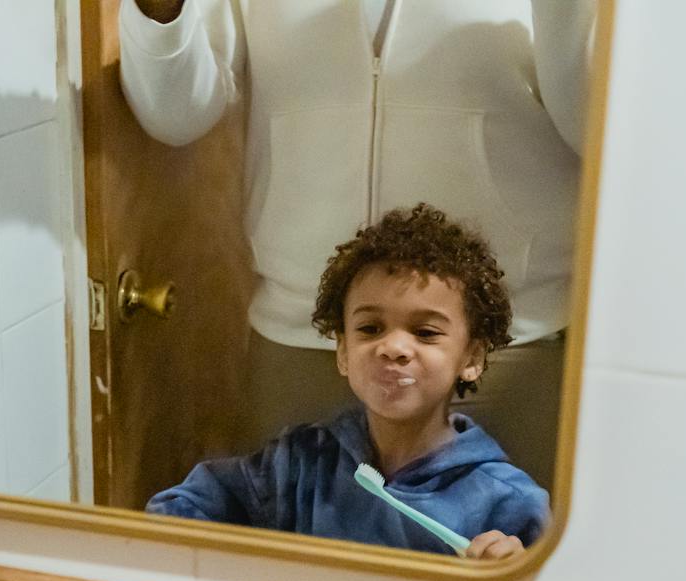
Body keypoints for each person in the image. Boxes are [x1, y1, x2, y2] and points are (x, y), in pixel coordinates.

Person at [119, 0, 594, 472]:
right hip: (300, 342)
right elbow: (175, 115)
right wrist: (161, 14)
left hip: (500, 350)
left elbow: (599, 123)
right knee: (293, 543)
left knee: (496, 540)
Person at [147, 204, 548, 560]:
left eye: (425, 332)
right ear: (342, 352)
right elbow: (180, 511)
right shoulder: (299, 463)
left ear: (472, 358)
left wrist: (514, 574)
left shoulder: (509, 501)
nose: (393, 347)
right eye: (370, 328)